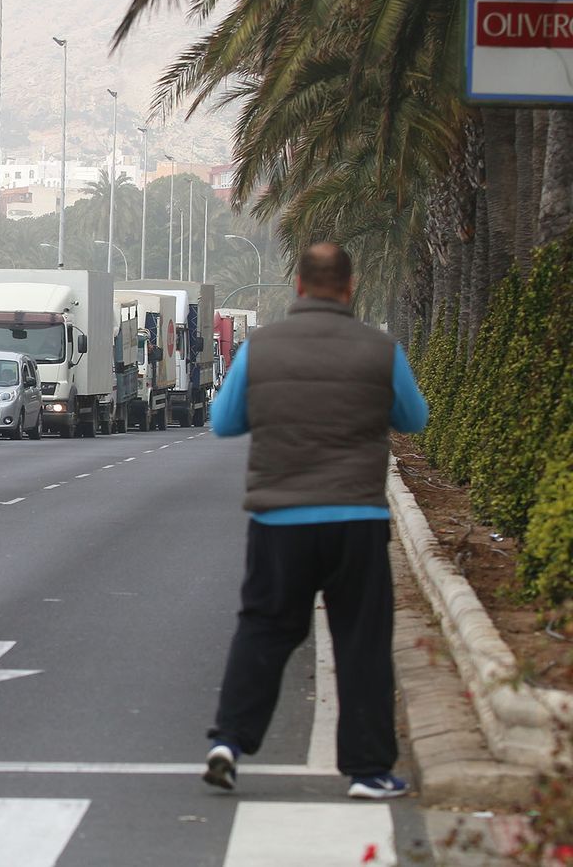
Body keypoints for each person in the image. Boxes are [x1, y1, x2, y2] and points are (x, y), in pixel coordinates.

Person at [202, 242, 429, 801]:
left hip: (280, 519)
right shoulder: (381, 350)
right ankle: (369, 771)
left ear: (298, 287)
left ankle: (229, 741)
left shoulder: (261, 349)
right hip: (356, 518)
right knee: (362, 640)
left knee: (265, 626)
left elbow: (224, 423)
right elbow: (414, 418)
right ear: (350, 290)